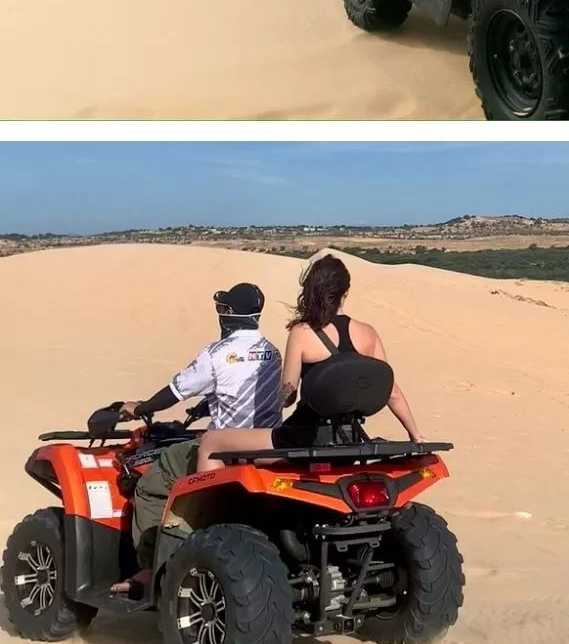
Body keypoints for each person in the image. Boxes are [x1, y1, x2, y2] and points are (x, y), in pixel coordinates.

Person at [111, 283, 283, 597]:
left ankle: (150, 568)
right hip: (267, 446)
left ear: (228, 314)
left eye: (222, 308)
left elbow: (175, 392)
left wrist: (141, 408)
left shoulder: (216, 355)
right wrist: (210, 402)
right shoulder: (273, 352)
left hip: (224, 449)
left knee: (151, 483)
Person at [195, 255, 423, 473]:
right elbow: (391, 392)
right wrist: (415, 435)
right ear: (346, 291)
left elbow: (288, 393)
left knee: (210, 443)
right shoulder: (368, 334)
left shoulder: (302, 333)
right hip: (349, 440)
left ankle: (205, 501)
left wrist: (270, 401)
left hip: (302, 439)